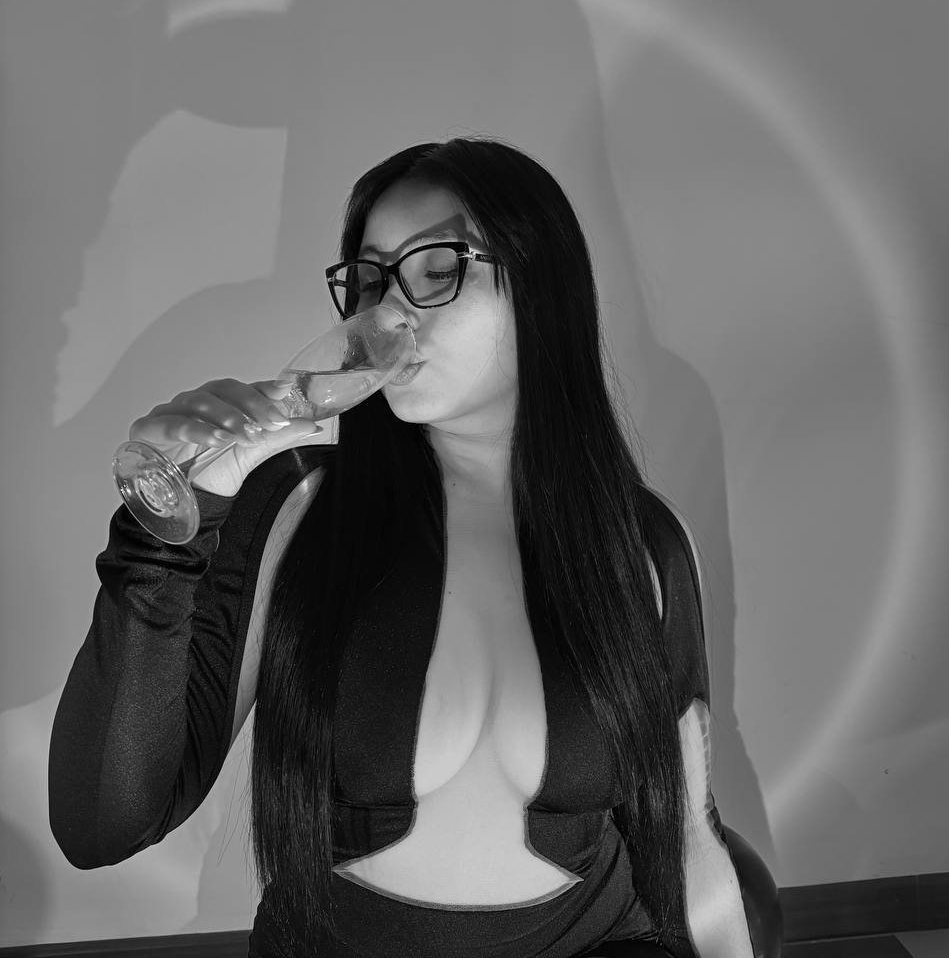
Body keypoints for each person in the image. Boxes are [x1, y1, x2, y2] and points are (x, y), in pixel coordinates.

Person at [49, 137, 755, 958]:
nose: (388, 314)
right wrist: (161, 539)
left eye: (437, 268)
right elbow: (101, 821)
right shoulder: (299, 510)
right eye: (372, 279)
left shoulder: (641, 545)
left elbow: (690, 843)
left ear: (543, 286)